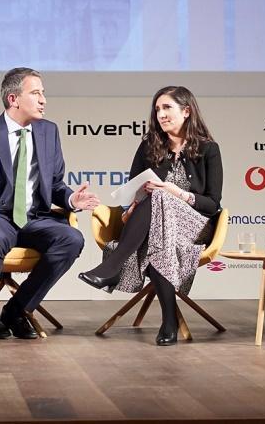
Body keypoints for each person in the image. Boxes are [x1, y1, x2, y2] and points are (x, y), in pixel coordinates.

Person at [0, 67, 100, 340]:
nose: (44, 99)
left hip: (35, 218)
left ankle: (17, 310)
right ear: (13, 99)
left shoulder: (48, 132)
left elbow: (55, 185)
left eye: (43, 93)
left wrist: (70, 199)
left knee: (71, 239)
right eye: (36, 93)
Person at [77, 86, 222, 346]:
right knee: (158, 225)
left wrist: (174, 191)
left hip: (195, 226)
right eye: (157, 110)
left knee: (162, 196)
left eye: (167, 108)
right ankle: (168, 322)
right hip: (156, 226)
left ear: (186, 111)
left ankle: (112, 266)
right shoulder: (149, 146)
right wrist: (132, 207)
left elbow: (212, 205)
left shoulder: (208, 149)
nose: (161, 115)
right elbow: (133, 189)